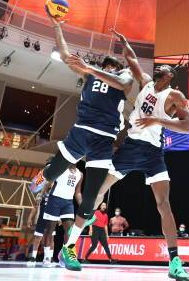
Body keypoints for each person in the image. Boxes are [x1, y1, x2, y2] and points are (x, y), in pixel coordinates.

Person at [30, 14, 134, 272]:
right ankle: (41, 177)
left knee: (90, 200)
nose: (111, 69)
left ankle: (70, 248)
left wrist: (90, 67)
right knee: (53, 172)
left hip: (103, 140)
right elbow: (66, 55)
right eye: (107, 66)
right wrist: (57, 27)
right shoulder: (90, 75)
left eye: (113, 66)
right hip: (80, 132)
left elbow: (122, 81)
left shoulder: (124, 77)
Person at [92, 29, 189, 280]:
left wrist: (158, 119)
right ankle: (70, 243)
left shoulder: (174, 96)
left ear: (170, 76)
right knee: (98, 191)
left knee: (163, 204)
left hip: (152, 153)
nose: (161, 69)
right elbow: (132, 59)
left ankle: (174, 261)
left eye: (166, 69)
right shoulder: (146, 81)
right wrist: (125, 44)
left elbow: (187, 127)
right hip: (130, 147)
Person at [42, 165, 82, 266]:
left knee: (70, 232)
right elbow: (49, 182)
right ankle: (47, 257)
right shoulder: (61, 168)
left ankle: (64, 255)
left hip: (68, 203)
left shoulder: (80, 174)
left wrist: (84, 207)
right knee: (50, 230)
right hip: (54, 200)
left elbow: (77, 193)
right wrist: (43, 193)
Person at [26, 181, 54, 267]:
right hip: (41, 218)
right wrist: (30, 217)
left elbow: (59, 207)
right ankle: (33, 257)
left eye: (52, 183)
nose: (50, 184)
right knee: (37, 238)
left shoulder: (56, 194)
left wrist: (59, 218)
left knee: (50, 238)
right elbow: (35, 206)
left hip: (51, 219)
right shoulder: (40, 195)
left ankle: (49, 257)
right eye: (49, 183)